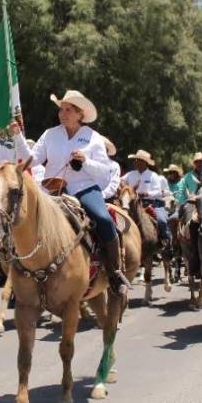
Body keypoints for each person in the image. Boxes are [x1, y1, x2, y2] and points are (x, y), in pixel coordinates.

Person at [11, 89, 128, 295]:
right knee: (22, 219)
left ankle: (114, 272)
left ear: (80, 114)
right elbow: (31, 159)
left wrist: (85, 161)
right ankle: (21, 271)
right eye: (61, 110)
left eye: (68, 110)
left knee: (103, 219)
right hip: (52, 190)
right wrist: (18, 137)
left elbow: (105, 173)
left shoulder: (93, 137)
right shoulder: (50, 134)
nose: (62, 114)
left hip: (84, 189)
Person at [124, 150, 172, 245]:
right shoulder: (130, 174)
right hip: (133, 203)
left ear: (144, 162)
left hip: (151, 204)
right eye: (135, 160)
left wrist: (147, 194)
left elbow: (158, 191)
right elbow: (120, 181)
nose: (135, 162)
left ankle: (166, 241)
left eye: (138, 160)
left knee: (161, 220)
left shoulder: (153, 175)